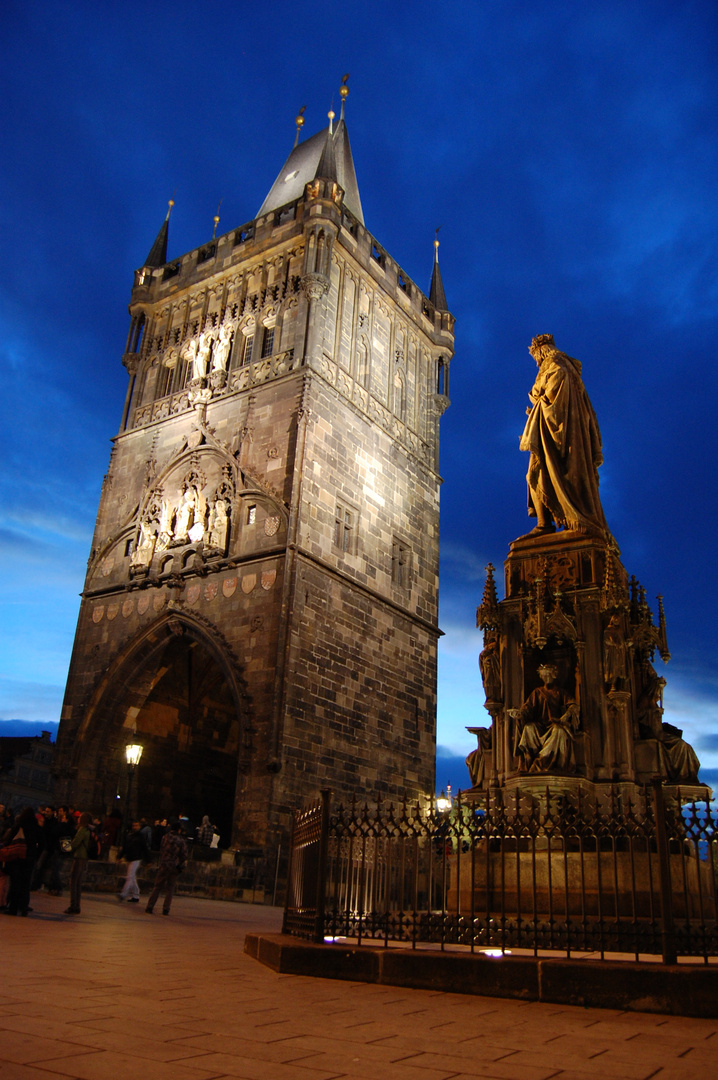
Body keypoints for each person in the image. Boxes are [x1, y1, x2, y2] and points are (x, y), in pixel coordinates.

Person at [520, 334, 609, 537]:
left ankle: (545, 524)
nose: (537, 362)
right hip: (569, 434)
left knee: (538, 472)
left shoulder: (555, 364)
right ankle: (548, 523)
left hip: (555, 433)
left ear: (542, 351)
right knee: (553, 475)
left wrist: (539, 403)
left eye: (536, 357)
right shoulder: (570, 369)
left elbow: (552, 392)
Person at [509, 663, 580, 774]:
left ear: (554, 676)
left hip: (555, 724)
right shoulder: (537, 692)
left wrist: (565, 717)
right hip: (540, 725)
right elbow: (527, 709)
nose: (546, 678)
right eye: (544, 676)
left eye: (548, 675)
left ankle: (542, 762)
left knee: (559, 732)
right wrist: (519, 714)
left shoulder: (560, 692)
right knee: (528, 728)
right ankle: (529, 762)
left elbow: (573, 705)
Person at [2, 806, 42, 916]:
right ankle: (24, 908)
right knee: (25, 884)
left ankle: (13, 908)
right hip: (30, 858)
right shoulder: (36, 828)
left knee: (15, 884)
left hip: (17, 858)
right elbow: (42, 843)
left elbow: (8, 839)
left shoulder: (18, 826)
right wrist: (35, 854)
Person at [145, 819, 188, 916]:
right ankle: (166, 908)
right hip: (174, 866)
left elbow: (161, 849)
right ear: (179, 830)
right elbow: (184, 855)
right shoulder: (180, 840)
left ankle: (150, 906)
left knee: (157, 887)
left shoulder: (165, 837)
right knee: (170, 888)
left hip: (164, 864)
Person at [65, 812, 92, 915]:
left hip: (79, 857)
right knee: (78, 882)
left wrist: (65, 845)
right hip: (84, 858)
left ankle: (73, 906)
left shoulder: (82, 830)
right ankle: (77, 905)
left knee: (73, 882)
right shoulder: (89, 830)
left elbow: (74, 844)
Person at [118, 821, 150, 903]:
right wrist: (119, 856)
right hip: (130, 858)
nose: (135, 827)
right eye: (134, 825)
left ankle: (123, 894)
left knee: (129, 876)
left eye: (136, 825)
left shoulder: (141, 837)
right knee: (132, 877)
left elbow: (145, 849)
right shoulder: (129, 836)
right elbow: (125, 847)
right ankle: (136, 895)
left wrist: (148, 860)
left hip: (136, 858)